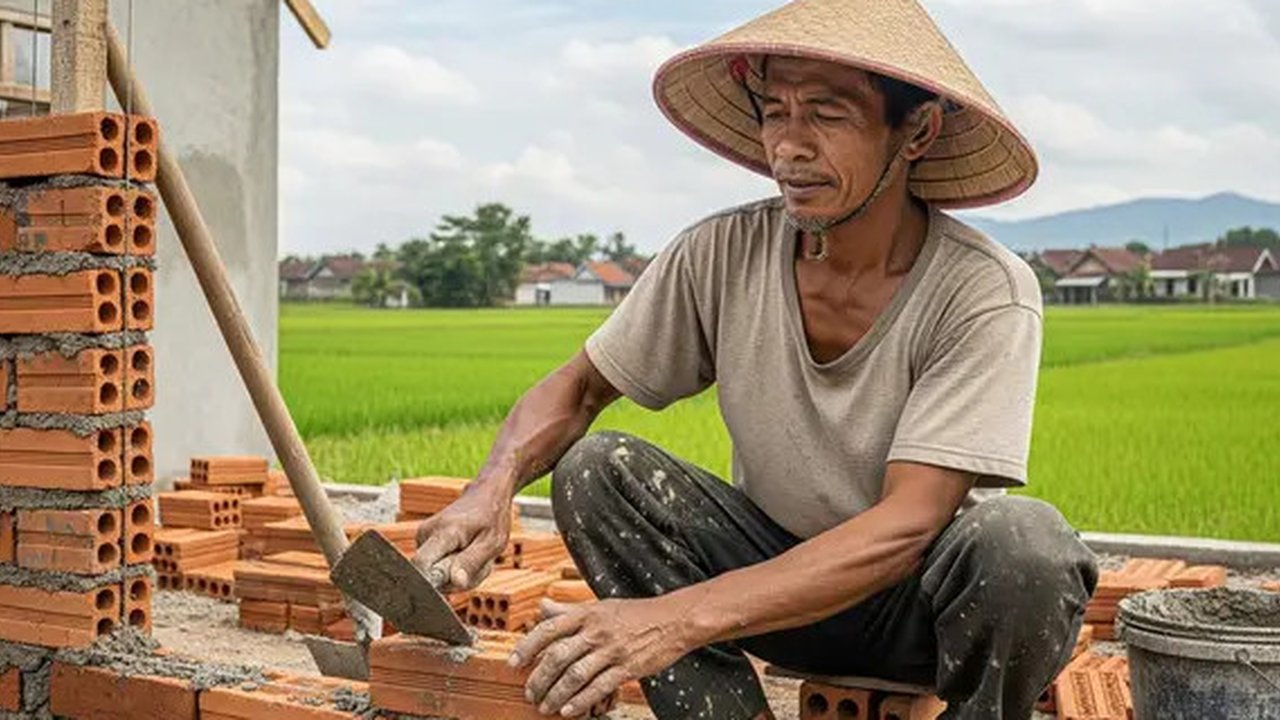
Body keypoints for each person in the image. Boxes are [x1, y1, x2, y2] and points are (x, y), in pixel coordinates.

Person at [413, 1, 1098, 718]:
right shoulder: (719, 254)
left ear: (917, 130)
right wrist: (489, 490)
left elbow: (908, 526)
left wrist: (672, 619)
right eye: (776, 112)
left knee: (1027, 545)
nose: (789, 148)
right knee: (599, 471)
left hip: (915, 614)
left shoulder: (982, 289)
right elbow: (580, 389)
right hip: (770, 596)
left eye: (828, 116)